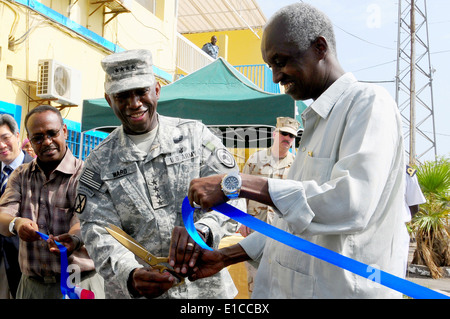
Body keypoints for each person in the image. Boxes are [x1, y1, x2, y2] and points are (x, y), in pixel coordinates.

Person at [187, 3, 408, 299]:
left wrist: (238, 183)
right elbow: (293, 220)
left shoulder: (368, 104)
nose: (276, 77)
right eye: (270, 66)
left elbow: (351, 202)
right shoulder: (317, 122)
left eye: (281, 61)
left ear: (319, 47)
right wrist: (228, 257)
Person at [76, 49, 244, 299]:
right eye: (122, 96)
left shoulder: (195, 137)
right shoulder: (98, 164)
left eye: (141, 91)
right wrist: (129, 275)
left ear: (156, 90)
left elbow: (234, 192)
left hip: (205, 292)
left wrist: (204, 230)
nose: (134, 103)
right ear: (109, 100)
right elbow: (96, 230)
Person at [0, 105, 104, 299]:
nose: (47, 142)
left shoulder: (86, 174)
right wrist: (16, 224)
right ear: (29, 140)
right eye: (38, 138)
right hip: (32, 287)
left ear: (64, 131)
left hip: (79, 285)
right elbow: (2, 216)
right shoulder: (20, 176)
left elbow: (85, 220)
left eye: (52, 133)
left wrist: (73, 239)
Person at [239, 116, 299, 296]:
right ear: (275, 134)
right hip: (255, 228)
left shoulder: (295, 164)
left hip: (281, 231)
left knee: (280, 280)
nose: (287, 139)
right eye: (284, 134)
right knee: (255, 279)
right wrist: (242, 221)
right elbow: (240, 192)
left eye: (291, 136)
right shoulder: (256, 159)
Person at [0, 114, 34, 299]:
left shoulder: (35, 170)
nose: (1, 145)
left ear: (17, 136)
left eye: (5, 137)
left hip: (24, 261)